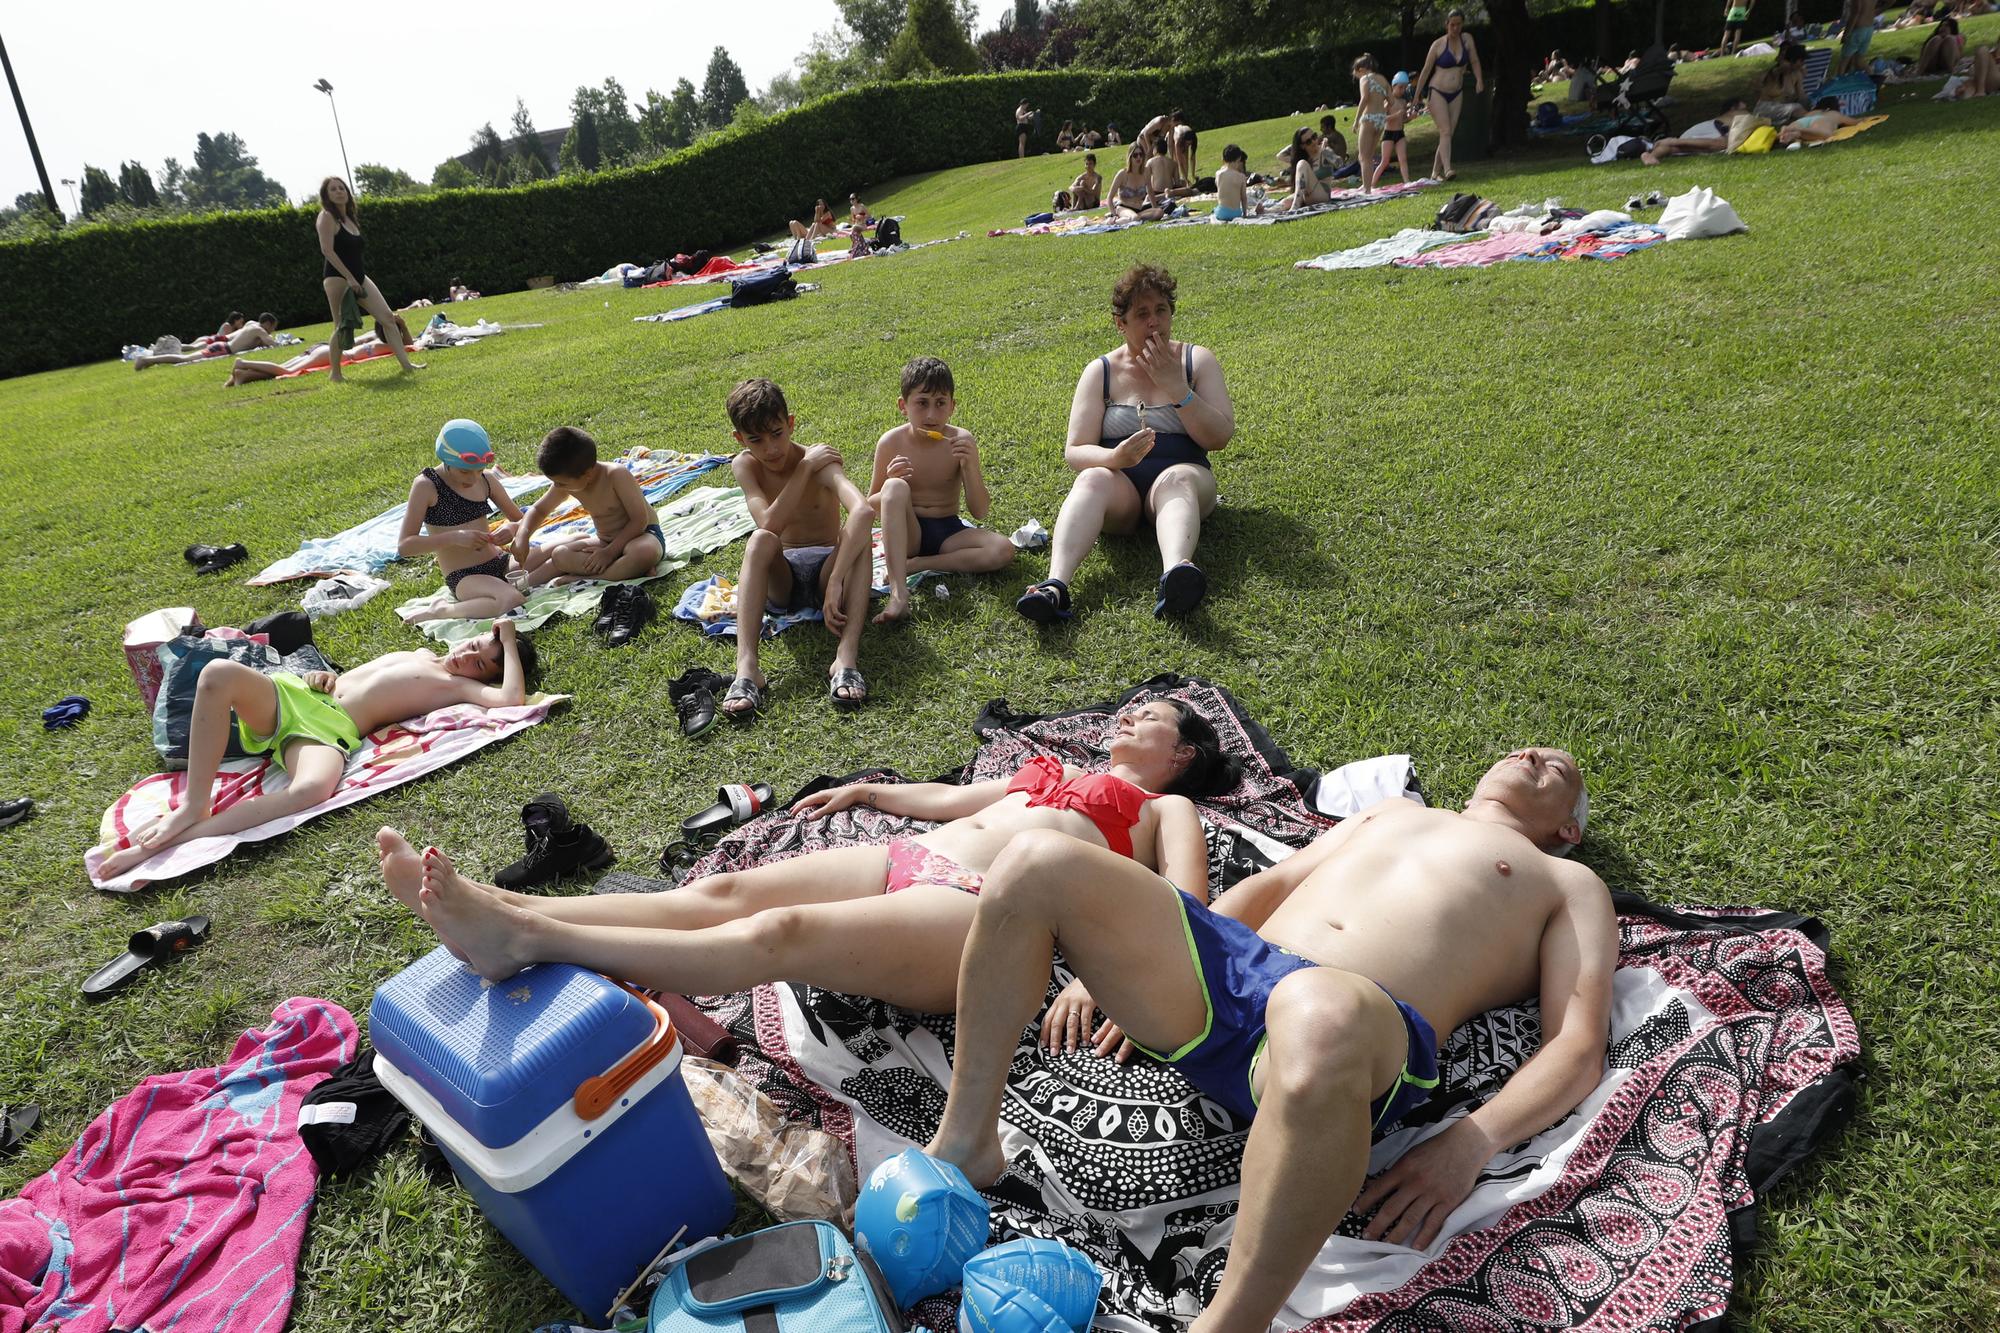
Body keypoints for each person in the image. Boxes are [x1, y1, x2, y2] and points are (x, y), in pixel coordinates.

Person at [921, 748, 1614, 1333]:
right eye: (1525, 749)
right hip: (1232, 977)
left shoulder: (1565, 881)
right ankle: (965, 1144)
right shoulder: (1395, 811)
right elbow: (1273, 882)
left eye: (1557, 768)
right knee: (1036, 858)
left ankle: (1230, 1324)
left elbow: (1578, 1042)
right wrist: (1129, 958)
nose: (1532, 755)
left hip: (1346, 1025)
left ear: (1568, 829)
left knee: (1319, 1007)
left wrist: (1473, 1141)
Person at [376, 700, 1233, 1016]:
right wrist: (867, 793)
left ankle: (524, 937)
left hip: (985, 912)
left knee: (776, 932)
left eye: (1152, 713)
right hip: (914, 856)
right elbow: (958, 800)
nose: (1128, 714)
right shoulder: (1052, 769)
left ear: (1184, 749)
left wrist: (1103, 977)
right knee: (727, 888)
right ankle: (498, 910)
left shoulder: (1165, 808)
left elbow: (1184, 912)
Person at [93, 625, 535, 879]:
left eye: (482, 662)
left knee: (312, 789)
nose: (469, 656)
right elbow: (344, 681)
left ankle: (173, 840)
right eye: (475, 643)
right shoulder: (416, 652)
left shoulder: (459, 686)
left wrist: (511, 641)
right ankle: (192, 805)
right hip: (295, 698)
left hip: (326, 729)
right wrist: (320, 679)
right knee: (217, 672)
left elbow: (512, 698)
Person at [1015, 265, 1234, 624]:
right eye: (1142, 314)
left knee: (1176, 479)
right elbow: (1076, 450)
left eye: (1161, 310)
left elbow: (1220, 437)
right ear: (1121, 323)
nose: (1154, 323)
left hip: (1186, 479)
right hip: (1123, 491)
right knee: (1090, 479)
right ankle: (1055, 587)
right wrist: (1115, 456)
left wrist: (1178, 389)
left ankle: (1176, 574)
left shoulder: (1197, 361)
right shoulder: (1100, 372)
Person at [719, 378, 877, 717]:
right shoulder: (746, 465)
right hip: (783, 577)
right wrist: (803, 470)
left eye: (777, 433)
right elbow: (769, 525)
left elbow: (863, 510)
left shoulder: (820, 459)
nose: (771, 449)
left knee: (861, 535)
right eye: (756, 440)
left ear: (790, 424)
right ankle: (748, 669)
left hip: (825, 570)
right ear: (739, 440)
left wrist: (836, 579)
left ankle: (845, 657)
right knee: (761, 539)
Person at [869, 357, 1015, 623]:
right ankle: (898, 595)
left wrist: (970, 466)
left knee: (1003, 549)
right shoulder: (891, 442)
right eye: (921, 403)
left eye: (940, 404)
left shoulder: (961, 440)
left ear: (952, 407)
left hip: (947, 531)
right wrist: (891, 482)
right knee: (894, 486)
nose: (931, 415)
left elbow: (980, 511)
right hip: (907, 532)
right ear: (904, 406)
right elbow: (870, 506)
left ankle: (917, 566)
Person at [398, 419, 528, 624]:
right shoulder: (427, 486)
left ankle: (508, 587)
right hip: (465, 577)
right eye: (465, 472)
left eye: (478, 470)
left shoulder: (486, 480)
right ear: (447, 461)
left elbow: (523, 520)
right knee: (512, 599)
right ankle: (441, 611)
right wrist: (454, 538)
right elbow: (405, 546)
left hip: (500, 562)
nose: (473, 479)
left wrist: (513, 528)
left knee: (569, 547)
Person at [511, 427, 666, 589]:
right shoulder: (569, 482)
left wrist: (610, 553)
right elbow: (539, 509)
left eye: (562, 483)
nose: (557, 486)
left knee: (644, 552)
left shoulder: (616, 475)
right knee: (560, 555)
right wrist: (523, 535)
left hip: (641, 536)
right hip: (603, 542)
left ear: (588, 474)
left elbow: (640, 520)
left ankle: (589, 577)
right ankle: (626, 569)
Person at [315, 176, 422, 384]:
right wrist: (348, 278)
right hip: (337, 279)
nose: (339, 191)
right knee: (341, 326)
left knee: (388, 319)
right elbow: (327, 250)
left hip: (359, 277)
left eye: (341, 188)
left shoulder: (350, 218)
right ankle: (335, 374)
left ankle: (407, 365)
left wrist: (356, 279)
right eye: (333, 189)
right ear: (326, 195)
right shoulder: (326, 216)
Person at [1415, 9, 1486, 180]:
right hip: (1437, 91)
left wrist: (1479, 80)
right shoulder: (1438, 45)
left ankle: (1435, 172)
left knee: (1448, 134)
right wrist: (1417, 95)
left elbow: (1475, 60)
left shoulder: (1467, 39)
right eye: (1452, 25)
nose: (1455, 28)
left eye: (1458, 24)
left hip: (1456, 92)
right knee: (1445, 131)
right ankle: (1448, 169)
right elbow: (1425, 71)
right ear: (1446, 25)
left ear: (1462, 24)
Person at [133, 313, 280, 370]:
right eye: (273, 327)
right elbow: (272, 344)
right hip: (223, 349)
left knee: (186, 356)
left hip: (221, 345)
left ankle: (148, 360)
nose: (272, 330)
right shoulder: (260, 331)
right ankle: (146, 360)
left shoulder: (251, 324)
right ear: (268, 324)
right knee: (185, 359)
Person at [1640, 100, 1750, 162]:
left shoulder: (1735, 116)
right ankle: (1672, 141)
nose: (1746, 111)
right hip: (1714, 128)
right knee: (1725, 144)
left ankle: (1650, 155)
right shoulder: (1737, 114)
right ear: (1732, 108)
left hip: (1701, 133)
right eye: (1743, 107)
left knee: (1675, 149)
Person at [1351, 57, 1392, 197]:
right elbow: (1391, 101)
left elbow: (1365, 98)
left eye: (1356, 73)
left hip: (1369, 118)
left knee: (1363, 156)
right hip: (1380, 119)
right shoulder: (1383, 79)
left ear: (1361, 69)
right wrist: (1382, 109)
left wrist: (1356, 120)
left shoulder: (1365, 79)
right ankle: (1367, 185)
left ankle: (1367, 190)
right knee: (1369, 155)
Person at [1373, 73, 1417, 187]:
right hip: (1389, 134)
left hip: (1399, 133)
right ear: (1393, 86)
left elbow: (1402, 120)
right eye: (1400, 87)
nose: (1402, 90)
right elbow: (1382, 118)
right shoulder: (1388, 101)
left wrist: (1410, 118)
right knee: (1384, 161)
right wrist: (1396, 115)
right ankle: (1371, 184)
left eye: (1404, 87)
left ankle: (1407, 181)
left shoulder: (1402, 102)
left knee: (1403, 159)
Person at [1107, 144, 1167, 221]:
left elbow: (1150, 192)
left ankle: (1128, 219)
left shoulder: (1145, 172)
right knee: (1135, 217)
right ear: (1130, 157)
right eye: (1135, 155)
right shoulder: (1122, 174)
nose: (1138, 157)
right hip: (1123, 207)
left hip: (1140, 209)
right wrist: (1113, 214)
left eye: (1141, 154)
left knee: (1159, 212)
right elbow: (1109, 197)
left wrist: (1154, 207)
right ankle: (1122, 219)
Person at [1754, 43, 1809, 121]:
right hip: (1766, 109)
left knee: (1800, 106)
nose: (1803, 63)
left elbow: (1801, 95)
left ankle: (1814, 118)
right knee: (1796, 107)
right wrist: (1787, 65)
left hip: (1784, 108)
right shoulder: (1775, 73)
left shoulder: (1797, 74)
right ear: (1792, 60)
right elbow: (1780, 69)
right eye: (1801, 60)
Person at [1778, 96, 1862, 144]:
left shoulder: (1811, 112)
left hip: (1802, 121)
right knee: (1826, 134)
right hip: (1822, 120)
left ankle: (1791, 133)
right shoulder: (1833, 113)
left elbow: (1804, 119)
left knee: (1787, 134)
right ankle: (1797, 131)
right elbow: (1855, 122)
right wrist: (1864, 119)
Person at [1214, 144, 1259, 221]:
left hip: (1222, 213)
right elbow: (1243, 198)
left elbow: (1218, 186)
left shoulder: (1218, 174)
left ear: (1224, 158)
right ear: (1239, 159)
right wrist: (1244, 213)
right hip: (1236, 213)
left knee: (1216, 209)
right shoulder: (1241, 177)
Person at [1839, 0, 1878, 72]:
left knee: (1843, 63)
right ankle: (1874, 78)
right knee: (1859, 61)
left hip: (1858, 29)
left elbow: (1856, 13)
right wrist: (1879, 10)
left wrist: (1846, 33)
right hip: (1869, 28)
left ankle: (1841, 82)